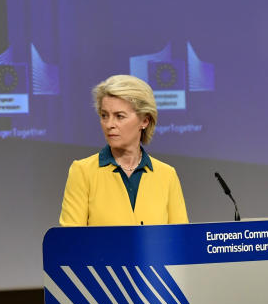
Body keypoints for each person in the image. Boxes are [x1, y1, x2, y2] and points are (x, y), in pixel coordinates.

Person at [59, 74, 188, 226]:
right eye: (104, 116)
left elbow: (181, 241)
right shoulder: (82, 172)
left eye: (119, 116)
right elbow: (70, 243)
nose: (109, 124)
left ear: (145, 120)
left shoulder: (167, 175)